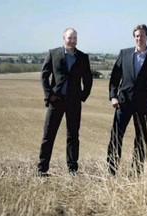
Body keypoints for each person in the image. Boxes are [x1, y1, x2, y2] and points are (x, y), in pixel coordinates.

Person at [107, 24, 147, 175]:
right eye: (137, 36)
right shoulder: (124, 54)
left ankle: (137, 172)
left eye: (142, 35)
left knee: (141, 139)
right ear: (134, 37)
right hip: (123, 103)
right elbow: (114, 78)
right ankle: (111, 170)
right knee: (116, 136)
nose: (139, 38)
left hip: (144, 105)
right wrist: (113, 96)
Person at [37, 28, 93, 176]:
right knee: (48, 135)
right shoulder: (53, 53)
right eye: (70, 38)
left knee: (73, 136)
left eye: (75, 38)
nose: (73, 41)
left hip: (74, 102)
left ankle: (72, 170)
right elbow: (44, 75)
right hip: (57, 101)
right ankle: (42, 169)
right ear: (64, 38)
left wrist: (82, 95)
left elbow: (88, 79)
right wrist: (49, 95)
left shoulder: (82, 57)